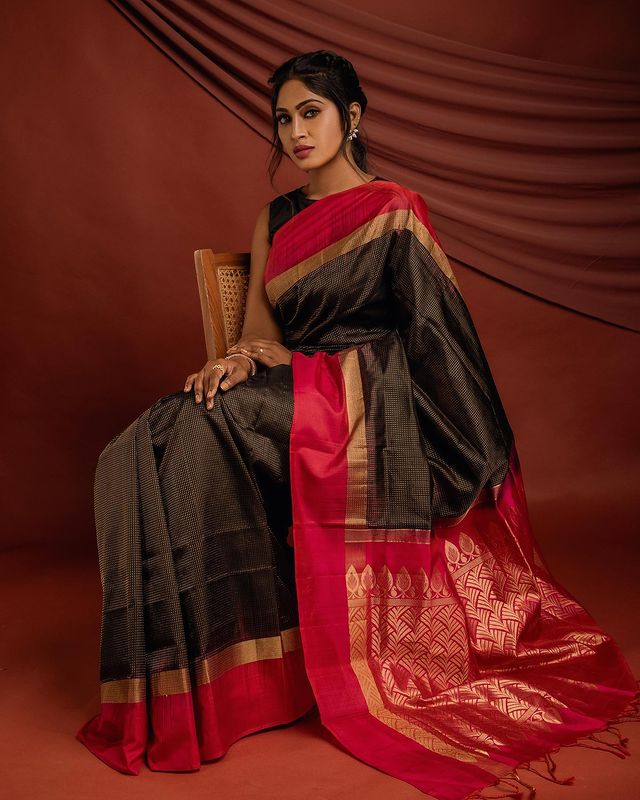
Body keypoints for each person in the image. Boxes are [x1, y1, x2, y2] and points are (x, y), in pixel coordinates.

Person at [76, 50, 639, 798]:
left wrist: (334, 374)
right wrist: (236, 361)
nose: (296, 132)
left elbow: (432, 337)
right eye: (284, 118)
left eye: (311, 113)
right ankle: (202, 684)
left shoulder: (393, 209)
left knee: (196, 428)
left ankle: (213, 684)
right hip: (296, 388)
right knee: (148, 443)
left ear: (353, 117)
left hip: (374, 406)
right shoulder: (277, 217)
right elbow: (261, 333)